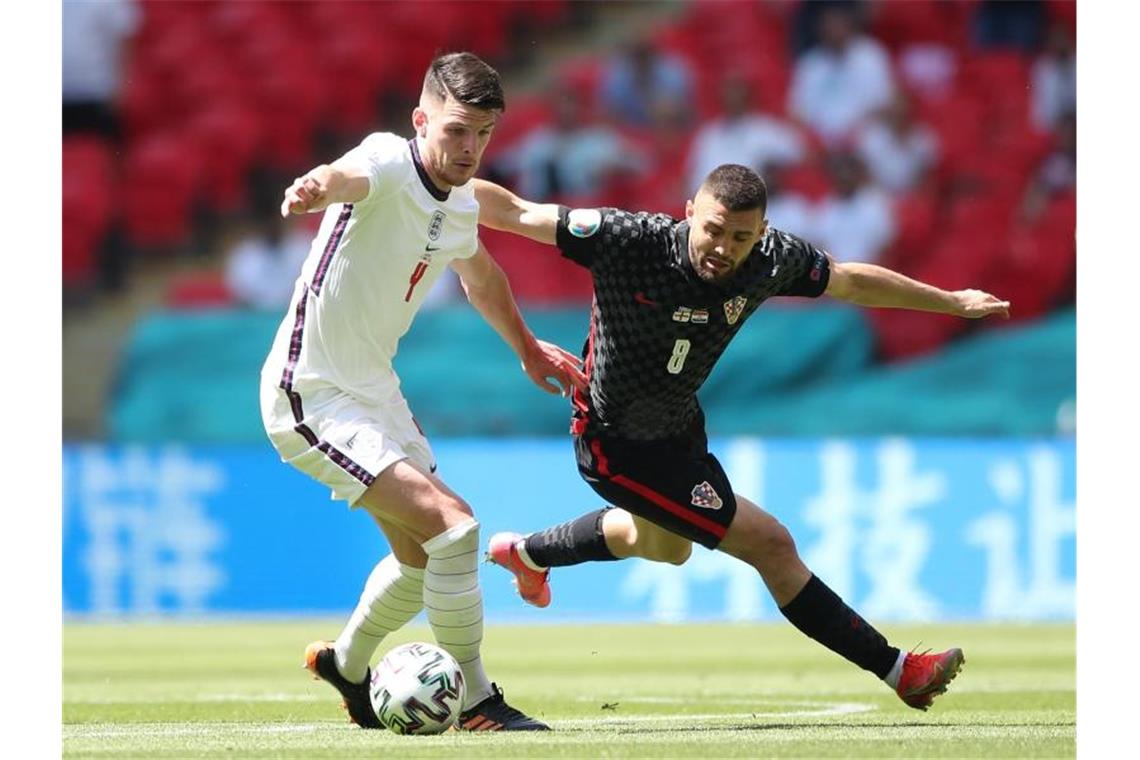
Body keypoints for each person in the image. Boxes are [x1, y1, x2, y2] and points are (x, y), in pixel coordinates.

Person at [474, 163, 1011, 711]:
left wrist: (949, 300)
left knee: (664, 546)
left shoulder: (771, 259)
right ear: (689, 212)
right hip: (615, 445)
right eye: (713, 229)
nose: (722, 248)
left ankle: (527, 554)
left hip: (680, 429)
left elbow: (850, 280)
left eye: (740, 237)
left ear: (761, 231)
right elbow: (517, 213)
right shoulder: (627, 240)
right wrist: (429, 178)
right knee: (771, 544)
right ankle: (899, 669)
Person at [260, 52, 585, 732]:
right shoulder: (384, 161)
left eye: (483, 135)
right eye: (456, 130)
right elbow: (348, 176)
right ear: (421, 120)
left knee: (419, 559)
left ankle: (347, 668)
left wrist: (526, 349)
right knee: (456, 528)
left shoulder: (460, 203)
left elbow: (483, 278)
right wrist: (316, 184)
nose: (468, 148)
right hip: (310, 392)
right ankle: (475, 700)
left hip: (374, 390)